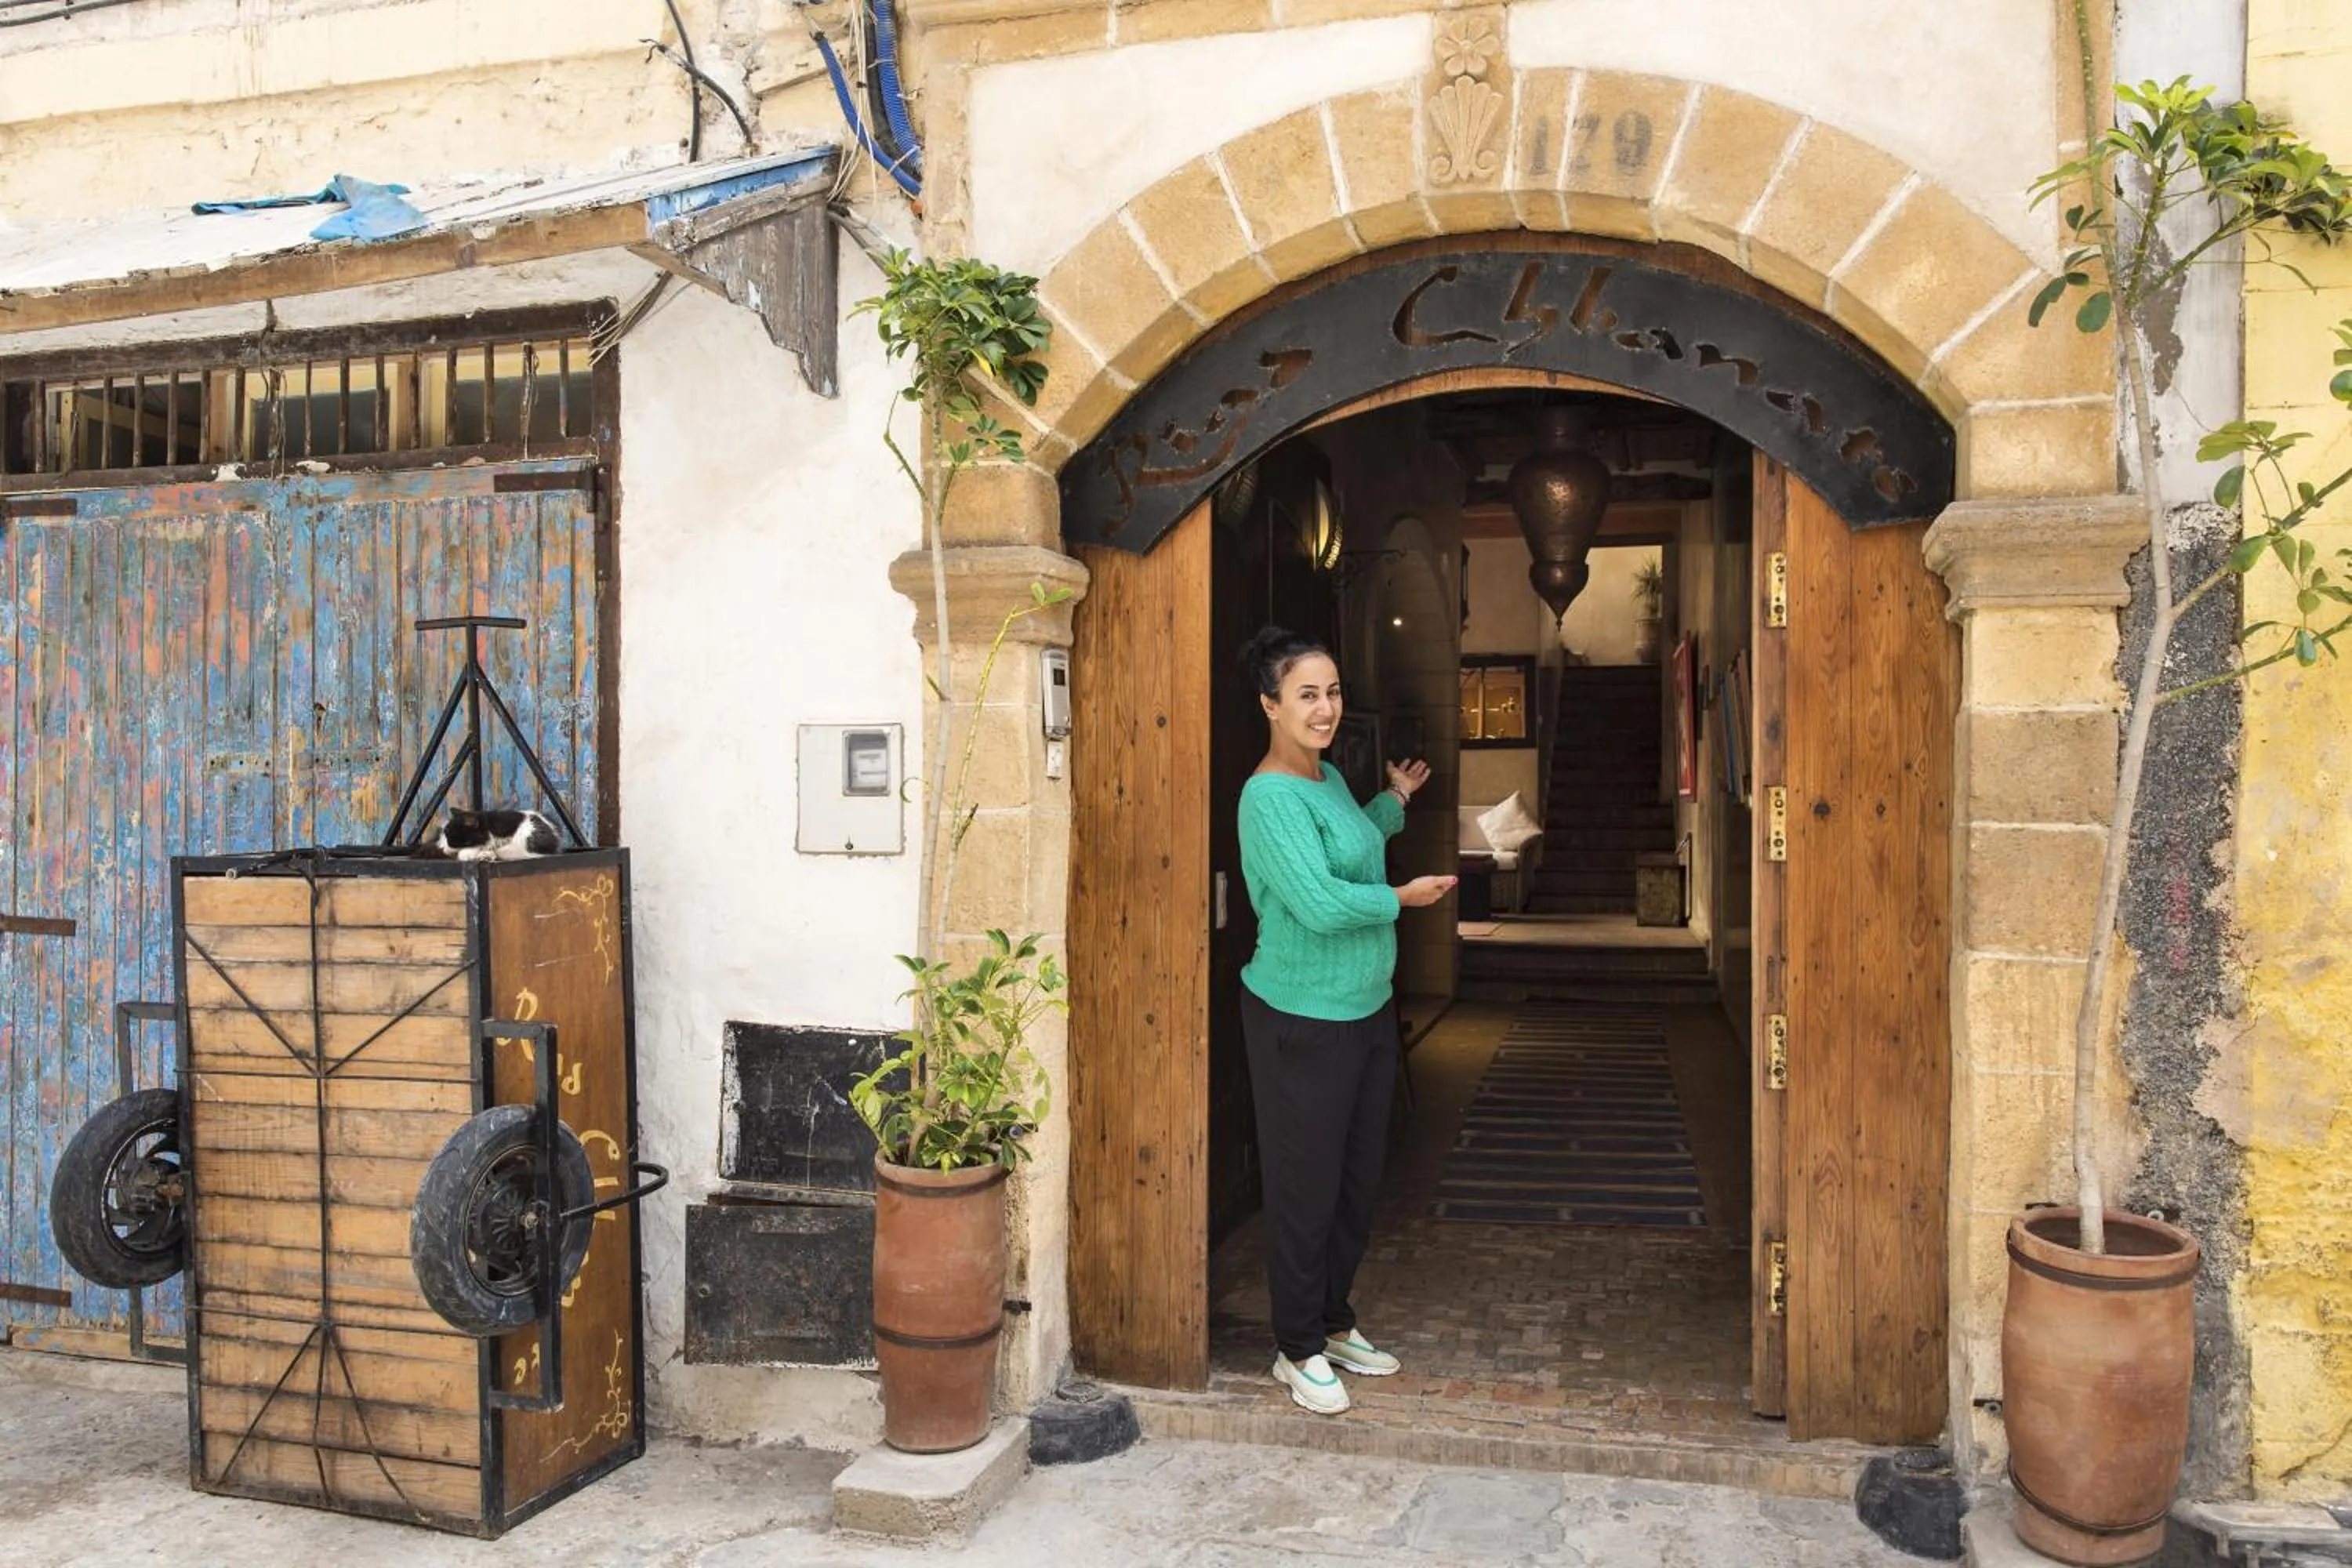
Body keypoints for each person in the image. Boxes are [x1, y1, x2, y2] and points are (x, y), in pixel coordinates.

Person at [1233, 626, 1455, 1415]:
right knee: (1306, 1185)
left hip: (1363, 1011)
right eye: (1306, 694)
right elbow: (1323, 902)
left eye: (1331, 692)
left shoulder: (1325, 779)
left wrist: (1392, 799)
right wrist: (1403, 898)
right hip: (1300, 1016)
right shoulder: (1267, 795)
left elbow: (1351, 846)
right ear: (1270, 704)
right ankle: (1295, 1347)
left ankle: (1332, 1321)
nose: (1324, 707)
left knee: (1357, 1182)